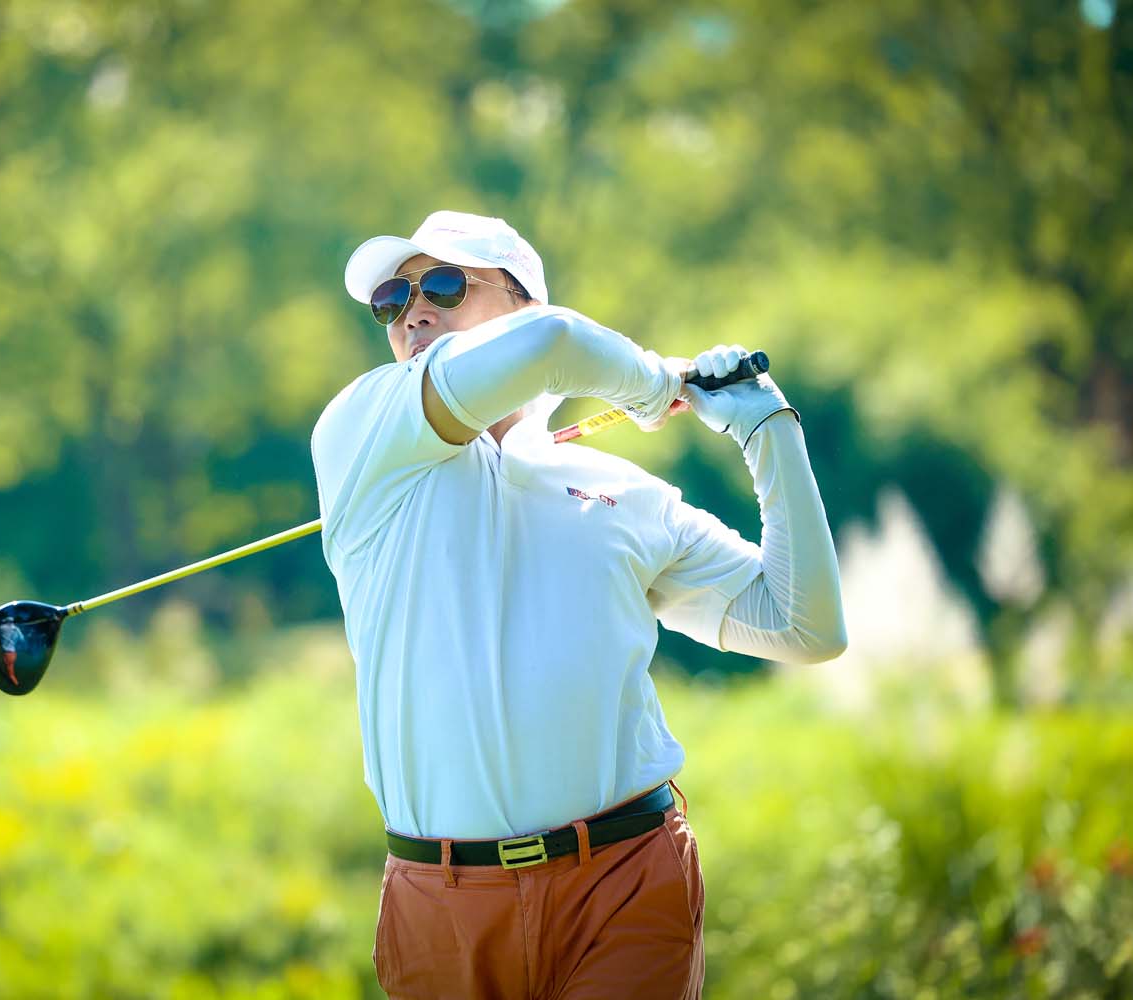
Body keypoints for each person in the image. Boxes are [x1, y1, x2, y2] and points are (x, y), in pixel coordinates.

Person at [310, 210, 846, 1000]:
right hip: (440, 903)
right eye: (393, 299)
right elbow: (555, 343)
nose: (413, 312)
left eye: (446, 285)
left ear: (522, 304)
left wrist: (767, 428)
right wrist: (657, 386)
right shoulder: (363, 425)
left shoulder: (623, 493)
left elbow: (805, 626)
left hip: (623, 881)